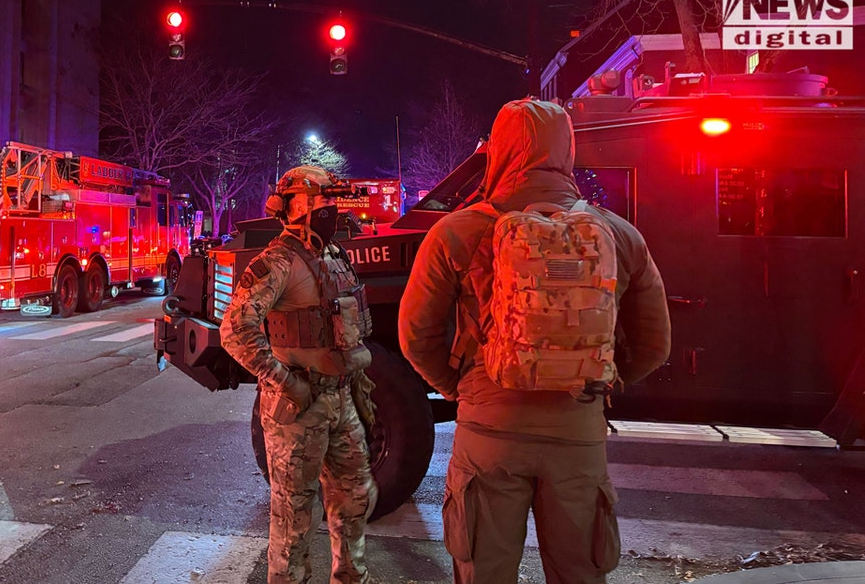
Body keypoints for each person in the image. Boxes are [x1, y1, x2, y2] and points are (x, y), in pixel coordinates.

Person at [397, 98, 671, 584]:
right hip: (577, 431)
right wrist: (598, 380)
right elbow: (655, 345)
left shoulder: (455, 233)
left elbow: (416, 336)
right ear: (567, 149)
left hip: (489, 431)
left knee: (484, 571)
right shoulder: (617, 235)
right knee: (579, 574)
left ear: (497, 151)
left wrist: (461, 388)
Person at [220, 165, 378, 584]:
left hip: (342, 401)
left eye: (333, 199)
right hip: (299, 406)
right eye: (323, 199)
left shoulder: (334, 255)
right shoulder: (276, 262)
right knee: (293, 519)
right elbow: (235, 330)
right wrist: (285, 382)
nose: (331, 208)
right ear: (294, 205)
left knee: (356, 499)